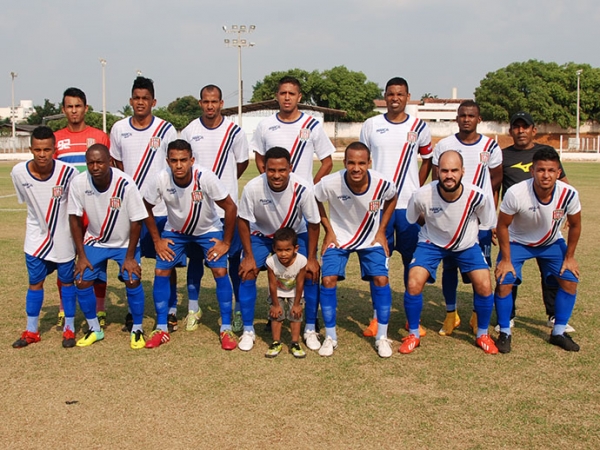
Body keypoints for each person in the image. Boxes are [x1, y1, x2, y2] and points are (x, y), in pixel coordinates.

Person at [250, 76, 334, 334]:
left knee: (308, 268)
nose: (287, 97)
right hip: (272, 210)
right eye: (283, 93)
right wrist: (271, 182)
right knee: (273, 267)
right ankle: (274, 311)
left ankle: (310, 319)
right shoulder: (265, 125)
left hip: (300, 209)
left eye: (292, 93)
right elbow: (259, 160)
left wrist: (309, 187)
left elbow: (328, 161)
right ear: (276, 96)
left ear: (299, 97)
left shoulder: (312, 125)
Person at [143, 139, 238, 350]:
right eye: (174, 160)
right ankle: (161, 327)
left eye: (183, 160)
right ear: (167, 161)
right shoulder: (161, 178)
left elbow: (230, 207)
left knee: (220, 270)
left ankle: (226, 328)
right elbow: (145, 207)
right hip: (175, 233)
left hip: (208, 231)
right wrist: (158, 240)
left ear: (191, 160)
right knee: (161, 271)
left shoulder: (205, 177)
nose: (179, 165)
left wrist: (226, 242)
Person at [402, 150, 498, 355]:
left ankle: (482, 334)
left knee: (484, 283)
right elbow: (412, 218)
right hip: (431, 243)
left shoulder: (477, 196)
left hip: (466, 245)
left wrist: (470, 238)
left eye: (454, 170)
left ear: (463, 171)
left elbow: (486, 222)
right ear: (437, 171)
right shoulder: (422, 194)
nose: (449, 175)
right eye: (444, 170)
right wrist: (433, 228)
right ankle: (413, 334)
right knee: (413, 281)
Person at [359, 76, 432, 337]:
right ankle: (377, 317)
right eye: (390, 94)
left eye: (400, 94)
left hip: (409, 208)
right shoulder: (371, 125)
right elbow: (362, 162)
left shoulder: (419, 126)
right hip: (378, 205)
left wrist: (417, 190)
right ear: (385, 96)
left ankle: (411, 318)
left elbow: (427, 160)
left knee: (411, 261)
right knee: (379, 261)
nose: (395, 99)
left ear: (408, 97)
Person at [110, 76, 180, 333]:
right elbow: (116, 166)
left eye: (145, 99)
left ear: (153, 101)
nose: (140, 103)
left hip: (161, 210)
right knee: (131, 263)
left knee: (166, 263)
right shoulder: (118, 129)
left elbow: (174, 164)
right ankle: (133, 312)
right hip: (130, 213)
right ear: (131, 101)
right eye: (136, 98)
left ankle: (171, 310)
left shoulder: (166, 129)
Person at [494, 147, 581, 353]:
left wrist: (569, 257)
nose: (546, 175)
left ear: (558, 172)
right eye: (541, 170)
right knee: (504, 281)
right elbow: (502, 226)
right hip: (518, 242)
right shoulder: (516, 192)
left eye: (551, 170)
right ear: (532, 171)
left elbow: (576, 225)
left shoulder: (568, 194)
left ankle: (558, 332)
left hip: (551, 242)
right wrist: (506, 259)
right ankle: (505, 331)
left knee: (570, 279)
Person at [315, 142, 397, 357]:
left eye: (362, 163)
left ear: (369, 163)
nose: (356, 168)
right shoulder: (331, 182)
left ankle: (382, 337)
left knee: (381, 279)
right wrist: (328, 230)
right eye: (351, 162)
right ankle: (330, 336)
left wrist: (381, 230)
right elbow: (314, 198)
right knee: (328, 279)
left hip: (370, 239)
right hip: (340, 238)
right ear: (345, 163)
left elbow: (392, 197)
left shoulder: (382, 183)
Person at [237, 147, 321, 352]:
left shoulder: (303, 188)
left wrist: (311, 257)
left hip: (294, 234)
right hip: (262, 236)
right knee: (247, 272)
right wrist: (248, 256)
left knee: (311, 272)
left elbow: (313, 223)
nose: (276, 175)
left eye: (282, 170)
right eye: (271, 170)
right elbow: (243, 220)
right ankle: (248, 330)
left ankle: (310, 327)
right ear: (264, 168)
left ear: (290, 168)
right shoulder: (253, 188)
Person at [181, 84, 249, 333]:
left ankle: (238, 311)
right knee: (196, 261)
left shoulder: (234, 132)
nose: (210, 106)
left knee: (232, 263)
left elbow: (242, 163)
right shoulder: (190, 130)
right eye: (205, 101)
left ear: (221, 103)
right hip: (196, 212)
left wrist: (222, 188)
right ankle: (193, 308)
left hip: (226, 211)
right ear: (201, 103)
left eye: (214, 101)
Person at [432, 100, 502, 335]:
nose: (466, 119)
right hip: (450, 218)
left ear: (478, 119)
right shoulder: (444, 145)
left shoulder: (490, 147)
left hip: (478, 218)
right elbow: (436, 182)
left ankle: (475, 315)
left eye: (471, 116)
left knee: (478, 271)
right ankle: (451, 314)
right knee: (449, 267)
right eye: (462, 115)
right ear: (457, 118)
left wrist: (489, 219)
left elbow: (496, 181)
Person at [68, 144, 149, 349]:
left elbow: (137, 221)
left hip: (124, 243)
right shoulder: (78, 183)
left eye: (99, 162)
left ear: (110, 161)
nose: (95, 167)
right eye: (90, 163)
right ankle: (95, 329)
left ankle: (137, 328)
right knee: (81, 280)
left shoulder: (125, 183)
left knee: (132, 279)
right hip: (95, 240)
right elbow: (74, 219)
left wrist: (130, 257)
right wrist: (81, 255)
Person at [501, 111, 574, 332]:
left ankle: (553, 315)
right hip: (517, 225)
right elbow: (495, 187)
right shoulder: (503, 155)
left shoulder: (546, 154)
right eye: (516, 127)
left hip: (546, 225)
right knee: (509, 273)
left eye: (525, 126)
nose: (521, 131)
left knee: (553, 273)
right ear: (511, 130)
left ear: (534, 130)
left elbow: (563, 183)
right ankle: (508, 317)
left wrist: (569, 213)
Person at [11, 126, 78, 348]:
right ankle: (32, 331)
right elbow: (27, 202)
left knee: (67, 283)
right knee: (35, 283)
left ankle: (69, 329)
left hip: (64, 240)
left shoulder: (69, 173)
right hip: (35, 241)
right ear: (31, 149)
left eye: (47, 149)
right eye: (38, 149)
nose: (42, 154)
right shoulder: (18, 173)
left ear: (54, 149)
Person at [54, 87, 111, 329]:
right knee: (65, 259)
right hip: (67, 210)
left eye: (78, 106)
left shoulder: (100, 136)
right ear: (63, 109)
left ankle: (100, 308)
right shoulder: (55, 139)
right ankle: (64, 306)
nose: (74, 110)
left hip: (96, 209)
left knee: (97, 259)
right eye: (69, 106)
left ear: (86, 108)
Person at [264, 227, 308, 358]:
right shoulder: (271, 262)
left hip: (295, 293)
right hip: (277, 293)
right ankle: (276, 342)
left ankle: (295, 343)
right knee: (276, 316)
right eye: (279, 250)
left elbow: (300, 283)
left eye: (287, 250)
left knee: (295, 315)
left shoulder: (301, 261)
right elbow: (272, 284)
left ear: (296, 248)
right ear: (274, 249)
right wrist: (275, 304)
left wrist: (297, 304)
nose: (283, 254)